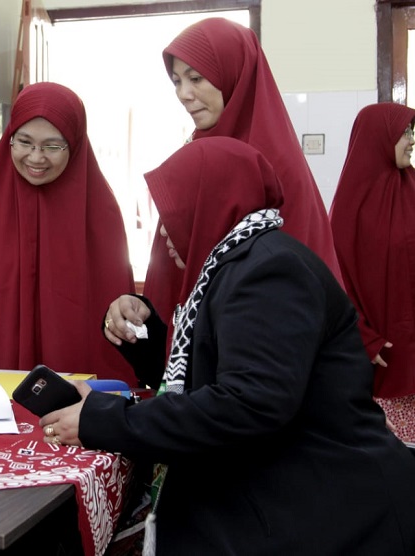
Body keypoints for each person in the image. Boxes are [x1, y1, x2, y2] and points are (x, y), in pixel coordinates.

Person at [42, 138, 415, 555]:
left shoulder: (268, 271)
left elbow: (247, 404)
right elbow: (218, 369)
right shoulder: (240, 263)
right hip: (294, 491)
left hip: (327, 508)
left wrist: (106, 420)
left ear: (210, 204)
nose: (164, 230)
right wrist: (144, 335)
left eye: (174, 212)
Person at [139, 17, 341, 333]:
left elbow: (295, 280)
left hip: (259, 345)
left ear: (234, 73)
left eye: (195, 78)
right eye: (177, 81)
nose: (184, 94)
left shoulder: (275, 165)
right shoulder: (198, 154)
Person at [0, 82, 138, 384]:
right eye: (24, 142)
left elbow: (115, 316)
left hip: (80, 395)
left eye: (52, 146)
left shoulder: (102, 215)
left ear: (74, 145)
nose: (36, 158)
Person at [329, 102, 415, 443]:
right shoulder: (350, 206)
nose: (410, 140)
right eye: (403, 132)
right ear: (378, 138)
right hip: (380, 362)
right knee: (393, 460)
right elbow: (335, 281)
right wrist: (364, 338)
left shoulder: (413, 189)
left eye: (411, 131)